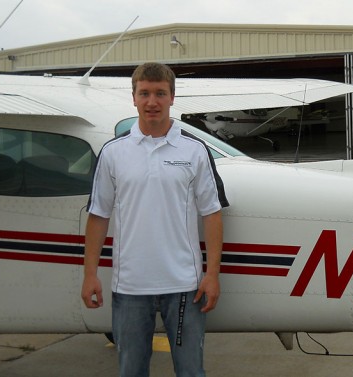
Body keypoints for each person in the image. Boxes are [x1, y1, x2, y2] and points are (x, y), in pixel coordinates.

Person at [81, 62, 228, 377]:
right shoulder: (113, 153)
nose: (152, 101)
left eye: (160, 93)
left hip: (186, 288)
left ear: (172, 97)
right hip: (130, 286)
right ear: (133, 98)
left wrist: (212, 274)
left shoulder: (194, 151)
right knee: (131, 371)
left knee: (191, 371)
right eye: (144, 93)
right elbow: (98, 216)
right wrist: (90, 274)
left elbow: (212, 214)